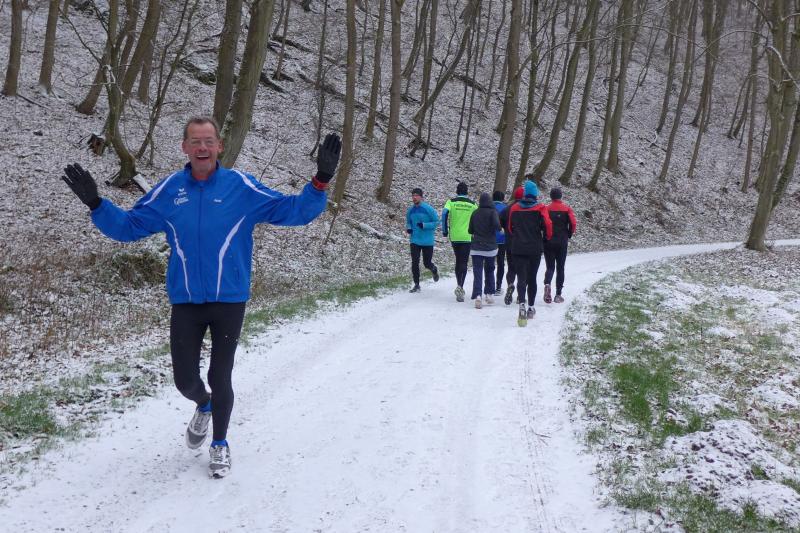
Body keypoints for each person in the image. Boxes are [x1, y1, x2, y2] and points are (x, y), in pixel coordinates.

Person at [60, 117, 341, 478]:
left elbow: (293, 211)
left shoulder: (241, 187)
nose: (203, 147)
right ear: (185, 148)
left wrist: (320, 181)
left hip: (229, 300)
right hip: (186, 302)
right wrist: (97, 204)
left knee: (220, 375)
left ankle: (220, 443)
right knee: (185, 381)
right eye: (195, 141)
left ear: (219, 146)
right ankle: (203, 404)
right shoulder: (169, 191)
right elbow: (129, 227)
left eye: (209, 141)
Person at [505, 180, 552, 326]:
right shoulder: (540, 208)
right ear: (535, 194)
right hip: (534, 248)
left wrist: (516, 234)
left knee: (521, 278)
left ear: (525, 194)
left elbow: (510, 227)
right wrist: (547, 237)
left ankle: (521, 306)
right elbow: (548, 224)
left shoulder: (515, 208)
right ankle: (531, 307)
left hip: (518, 247)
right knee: (532, 278)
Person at [441, 181, 477, 302]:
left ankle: (458, 284)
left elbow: (444, 214)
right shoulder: (473, 204)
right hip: (467, 236)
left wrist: (445, 231)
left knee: (458, 260)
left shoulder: (451, 202)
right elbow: (478, 217)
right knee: (464, 262)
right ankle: (460, 286)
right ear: (467, 191)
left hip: (455, 236)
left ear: (457, 191)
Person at [543, 187, 577, 304]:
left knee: (550, 267)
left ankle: (547, 284)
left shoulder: (546, 209)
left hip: (548, 241)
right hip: (562, 241)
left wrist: (545, 235)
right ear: (560, 196)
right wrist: (569, 233)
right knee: (560, 268)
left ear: (551, 196)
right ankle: (558, 295)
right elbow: (573, 223)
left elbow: (543, 223)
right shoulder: (567, 209)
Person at [468, 192, 501, 308]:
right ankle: (489, 294)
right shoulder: (493, 212)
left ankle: (478, 296)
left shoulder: (475, 213)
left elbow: (470, 230)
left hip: (476, 247)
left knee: (477, 272)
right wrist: (500, 229)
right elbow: (497, 225)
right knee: (490, 270)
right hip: (490, 248)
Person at [405, 187, 440, 292]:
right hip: (415, 240)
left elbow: (436, 222)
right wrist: (409, 228)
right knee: (415, 262)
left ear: (421, 197)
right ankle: (417, 285)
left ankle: (433, 269)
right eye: (413, 196)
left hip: (427, 241)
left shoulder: (428, 209)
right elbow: (408, 222)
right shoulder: (410, 210)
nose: (414, 197)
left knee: (426, 263)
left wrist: (424, 225)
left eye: (416, 195)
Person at [499, 186, 523, 305]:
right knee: (523, 269)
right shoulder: (527, 208)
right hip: (523, 243)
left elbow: (500, 222)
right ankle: (520, 296)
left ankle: (510, 284)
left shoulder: (507, 209)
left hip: (510, 242)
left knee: (511, 268)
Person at [492, 191, 507, 297]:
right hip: (502, 239)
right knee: (501, 263)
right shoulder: (506, 208)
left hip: (490, 239)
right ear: (503, 198)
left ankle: (489, 285)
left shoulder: (489, 208)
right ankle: (498, 286)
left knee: (490, 263)